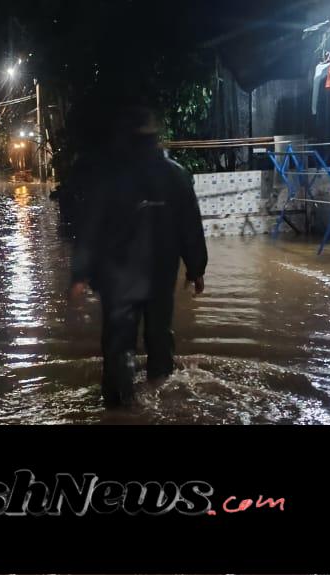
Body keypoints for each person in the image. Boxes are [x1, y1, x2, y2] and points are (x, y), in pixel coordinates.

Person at [68, 107, 208, 409]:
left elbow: (90, 226)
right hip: (160, 275)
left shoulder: (108, 176)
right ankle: (162, 399)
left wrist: (80, 274)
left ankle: (119, 407)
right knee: (159, 338)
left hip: (118, 278)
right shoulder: (176, 175)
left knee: (118, 344)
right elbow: (190, 226)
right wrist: (196, 269)